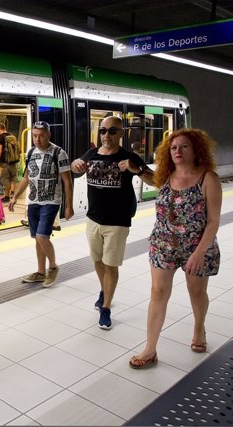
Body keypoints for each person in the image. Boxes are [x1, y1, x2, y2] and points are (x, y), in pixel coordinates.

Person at [129, 129, 221, 369]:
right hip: (163, 244)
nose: (178, 151)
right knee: (158, 293)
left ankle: (199, 328)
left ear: (196, 150)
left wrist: (200, 252)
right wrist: (137, 169)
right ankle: (150, 349)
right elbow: (151, 179)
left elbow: (213, 221)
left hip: (197, 247)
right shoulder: (166, 175)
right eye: (173, 148)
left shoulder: (208, 179)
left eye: (184, 147)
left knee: (196, 293)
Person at [71, 116, 154, 329]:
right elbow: (74, 168)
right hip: (93, 219)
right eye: (103, 131)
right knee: (97, 261)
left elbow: (156, 180)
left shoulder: (129, 156)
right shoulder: (91, 153)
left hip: (117, 222)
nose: (106, 135)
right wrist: (75, 164)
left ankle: (106, 308)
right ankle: (104, 289)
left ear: (121, 133)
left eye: (112, 131)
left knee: (110, 264)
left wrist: (137, 170)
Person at [9, 121, 73, 287]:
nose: (37, 139)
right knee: (37, 239)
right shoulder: (30, 152)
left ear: (48, 135)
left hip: (51, 201)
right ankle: (40, 272)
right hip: (33, 201)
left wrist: (68, 205)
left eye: (41, 136)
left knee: (42, 236)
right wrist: (15, 196)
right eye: (34, 136)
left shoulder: (59, 153)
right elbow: (26, 178)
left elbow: (67, 181)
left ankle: (52, 267)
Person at [0, 123, 18, 202]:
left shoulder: (0, 137)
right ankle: (13, 193)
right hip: (14, 162)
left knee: (6, 180)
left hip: (5, 163)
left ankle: (7, 197)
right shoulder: (12, 136)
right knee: (13, 178)